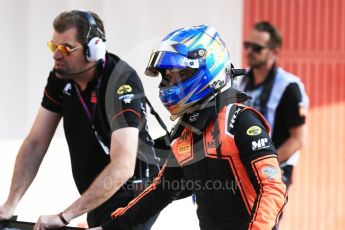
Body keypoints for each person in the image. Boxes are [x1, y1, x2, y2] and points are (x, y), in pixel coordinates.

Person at [95, 24, 287, 230]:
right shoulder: (185, 132)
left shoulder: (240, 121)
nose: (170, 82)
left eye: (178, 74)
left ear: (208, 67)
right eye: (167, 76)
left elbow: (273, 188)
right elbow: (160, 191)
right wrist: (108, 227)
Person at [0, 10, 160, 229]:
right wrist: (10, 204)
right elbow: (35, 144)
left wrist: (65, 216)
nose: (56, 55)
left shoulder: (121, 82)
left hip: (134, 196)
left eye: (65, 48)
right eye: (53, 46)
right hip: (97, 197)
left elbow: (123, 166)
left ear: (93, 49)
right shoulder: (60, 77)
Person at [239, 21, 309, 226]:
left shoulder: (288, 87)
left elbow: (298, 139)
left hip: (274, 171)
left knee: (264, 224)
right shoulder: (240, 81)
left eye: (257, 48)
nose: (250, 51)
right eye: (247, 45)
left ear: (274, 51)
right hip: (243, 169)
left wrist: (266, 163)